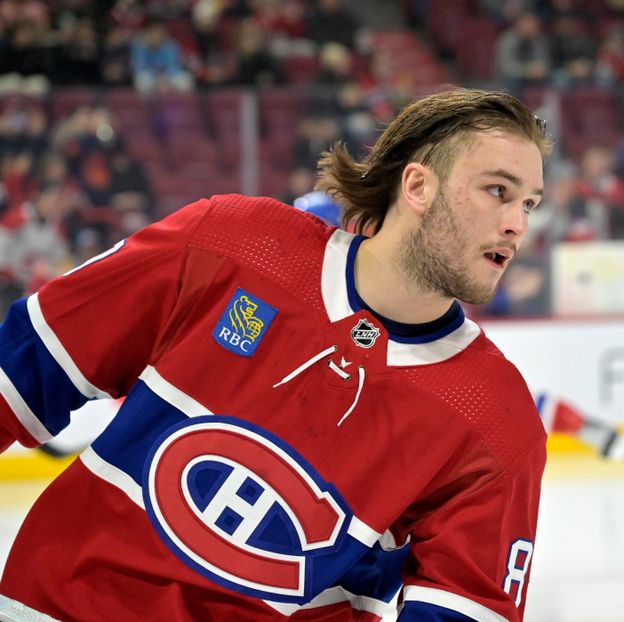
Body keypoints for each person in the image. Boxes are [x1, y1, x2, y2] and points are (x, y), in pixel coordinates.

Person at [0, 88, 551, 621]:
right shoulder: (228, 242)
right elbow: (21, 369)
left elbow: (464, 611)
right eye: (498, 191)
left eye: (529, 203)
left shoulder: (498, 426)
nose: (517, 225)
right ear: (417, 186)